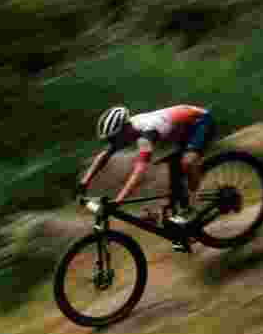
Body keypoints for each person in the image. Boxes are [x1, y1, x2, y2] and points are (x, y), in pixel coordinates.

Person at [78, 105, 217, 250]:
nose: (113, 143)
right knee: (169, 170)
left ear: (126, 128)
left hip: (200, 121)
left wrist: (120, 199)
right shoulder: (129, 130)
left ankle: (195, 205)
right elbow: (104, 156)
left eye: (114, 138)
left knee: (187, 162)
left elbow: (139, 171)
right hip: (179, 130)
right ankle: (181, 213)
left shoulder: (147, 132)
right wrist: (84, 182)